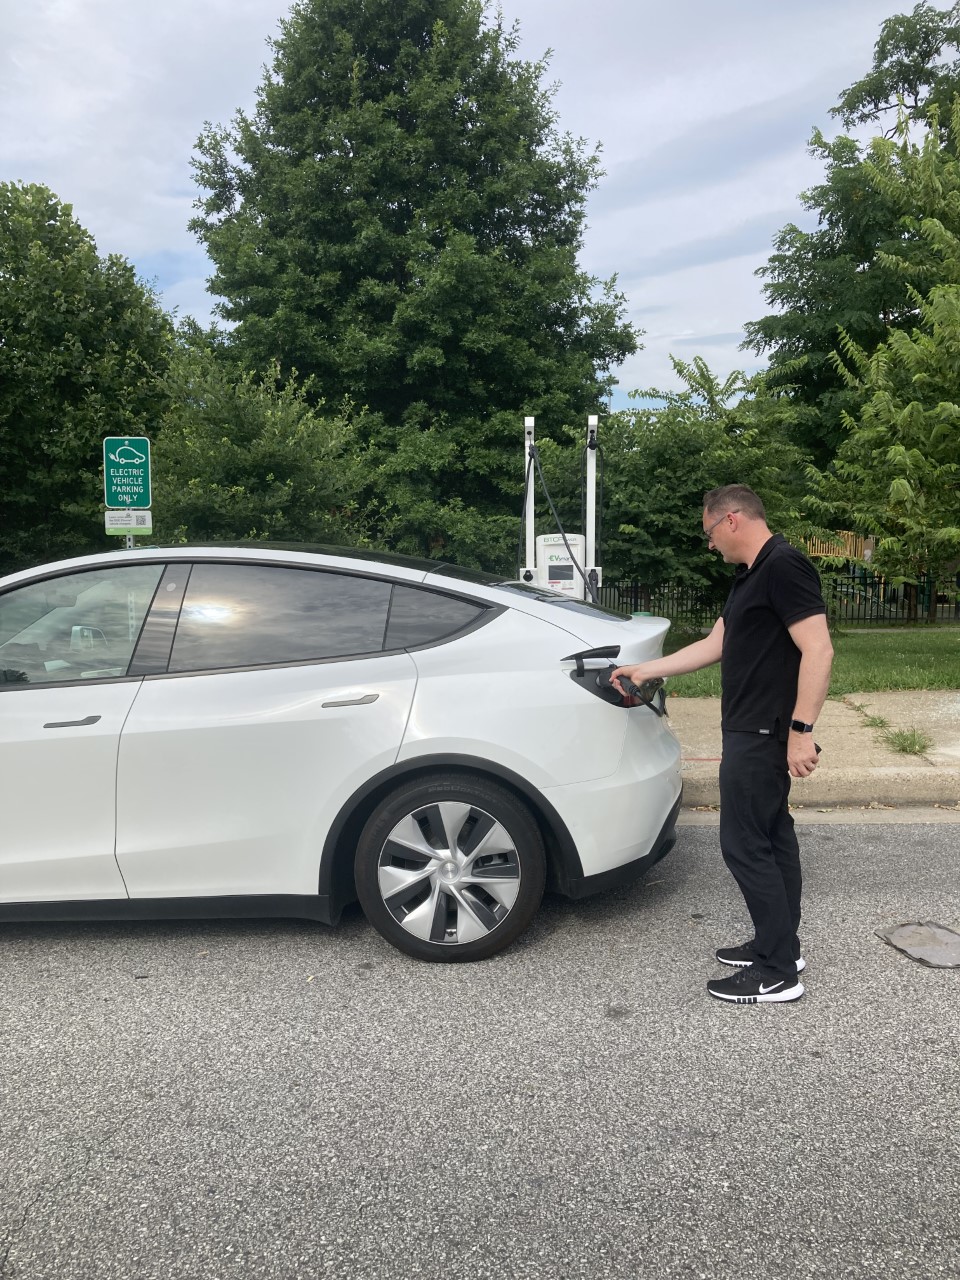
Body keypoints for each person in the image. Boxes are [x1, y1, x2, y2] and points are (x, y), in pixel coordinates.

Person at [612, 485, 833, 1005]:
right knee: (773, 837)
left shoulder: (784, 566)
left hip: (764, 733)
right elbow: (718, 644)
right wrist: (645, 670)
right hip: (751, 729)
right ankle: (781, 946)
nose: (710, 544)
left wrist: (802, 732)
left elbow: (818, 649)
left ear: (731, 520)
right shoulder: (750, 574)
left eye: (709, 533)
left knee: (744, 845)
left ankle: (777, 973)